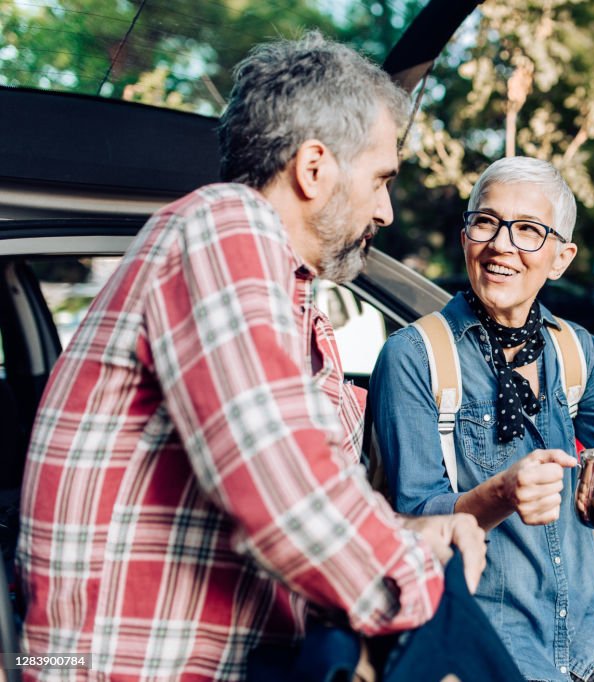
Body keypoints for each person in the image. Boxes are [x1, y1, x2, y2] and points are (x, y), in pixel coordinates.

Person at [16, 33, 486, 680]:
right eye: (381, 178)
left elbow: (316, 457)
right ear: (314, 168)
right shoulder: (225, 224)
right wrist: (415, 576)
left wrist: (413, 530)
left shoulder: (284, 295)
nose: (385, 209)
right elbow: (274, 465)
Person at [370, 156, 594, 681]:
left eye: (528, 231)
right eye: (486, 222)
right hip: (490, 636)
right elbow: (417, 519)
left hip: (591, 629)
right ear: (465, 233)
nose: (501, 245)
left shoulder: (577, 350)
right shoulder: (413, 355)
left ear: (561, 258)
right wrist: (501, 493)